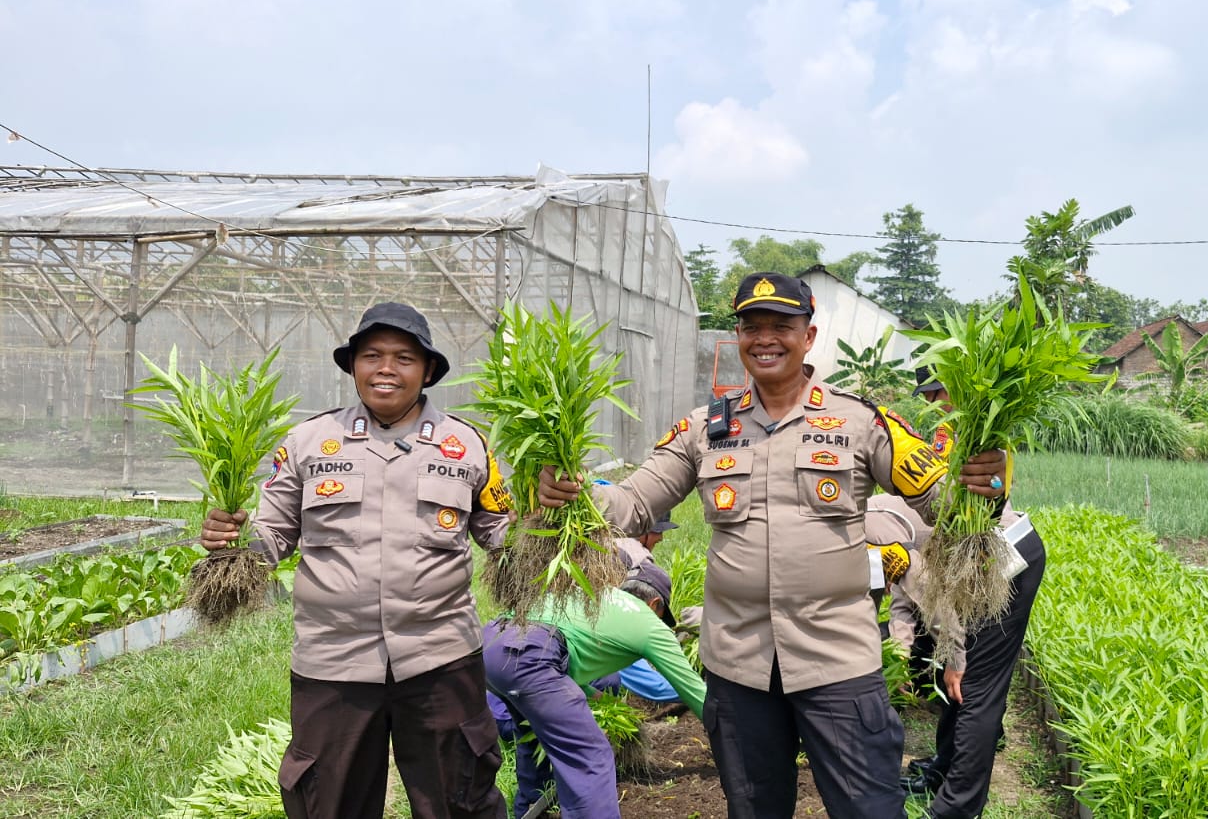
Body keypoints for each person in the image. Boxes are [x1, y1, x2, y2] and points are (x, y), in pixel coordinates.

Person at [536, 272, 1010, 819]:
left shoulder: (861, 421)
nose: (765, 338)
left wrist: (989, 484)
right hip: (739, 666)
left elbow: (944, 503)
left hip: (837, 663)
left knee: (869, 810)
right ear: (737, 337)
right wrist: (570, 492)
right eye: (751, 326)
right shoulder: (705, 428)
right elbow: (633, 502)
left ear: (808, 336)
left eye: (781, 326)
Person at [200, 302, 510, 819]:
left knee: (461, 801)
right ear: (353, 366)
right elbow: (273, 533)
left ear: (428, 370)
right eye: (372, 356)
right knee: (328, 803)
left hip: (440, 658)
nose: (386, 368)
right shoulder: (306, 444)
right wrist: (230, 544)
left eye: (404, 358)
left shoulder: (469, 446)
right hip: (333, 661)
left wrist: (555, 515)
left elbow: (503, 536)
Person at [886, 367, 1048, 819]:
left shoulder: (965, 442)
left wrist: (954, 655)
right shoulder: (930, 453)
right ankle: (943, 770)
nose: (936, 403)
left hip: (1001, 563)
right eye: (932, 396)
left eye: (940, 392)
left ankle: (957, 808)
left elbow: (920, 587)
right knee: (953, 681)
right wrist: (908, 654)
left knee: (975, 686)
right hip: (963, 569)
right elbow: (910, 593)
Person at [483, 560, 706, 819]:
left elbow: (558, 644)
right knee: (592, 758)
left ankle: (530, 810)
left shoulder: (595, 595)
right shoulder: (649, 624)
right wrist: (730, 727)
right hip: (528, 658)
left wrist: (588, 693)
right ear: (655, 604)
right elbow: (695, 693)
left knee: (533, 735)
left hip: (493, 643)